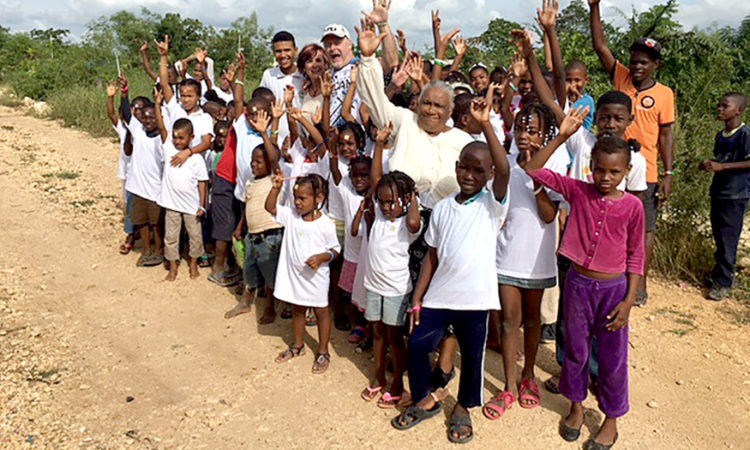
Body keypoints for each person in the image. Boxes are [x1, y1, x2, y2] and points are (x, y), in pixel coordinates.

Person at [391, 93, 510, 444]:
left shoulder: (492, 206)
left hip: (475, 299)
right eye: (464, 166)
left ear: (489, 175)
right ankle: (427, 398)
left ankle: (463, 407)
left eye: (478, 170)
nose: (469, 175)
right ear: (455, 166)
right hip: (439, 295)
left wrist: (486, 124)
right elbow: (431, 256)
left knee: (473, 356)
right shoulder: (442, 208)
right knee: (417, 343)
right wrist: (417, 299)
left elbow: (505, 169)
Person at [524, 110, 645, 450]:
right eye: (600, 170)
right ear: (590, 166)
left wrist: (628, 301)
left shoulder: (633, 207)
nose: (606, 178)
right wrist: (560, 137)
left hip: (613, 290)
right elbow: (532, 169)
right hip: (578, 284)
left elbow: (637, 256)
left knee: (612, 357)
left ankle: (611, 418)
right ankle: (576, 407)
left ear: (627, 171)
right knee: (575, 350)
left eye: (615, 172)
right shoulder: (578, 190)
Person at [483, 103, 573, 420]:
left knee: (533, 320)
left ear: (545, 134)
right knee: (509, 320)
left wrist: (538, 188)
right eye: (520, 128)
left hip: (537, 258)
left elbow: (549, 217)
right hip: (506, 256)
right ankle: (509, 385)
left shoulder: (555, 166)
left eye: (532, 130)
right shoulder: (505, 164)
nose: (524, 135)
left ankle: (529, 375)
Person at [589, 0, 675, 305]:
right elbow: (600, 46)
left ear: (656, 65)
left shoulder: (664, 95)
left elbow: (666, 135)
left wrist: (668, 173)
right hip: (609, 165)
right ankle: (610, 274)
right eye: (635, 60)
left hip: (645, 170)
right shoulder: (621, 78)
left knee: (644, 229)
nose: (638, 66)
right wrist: (594, 7)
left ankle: (639, 284)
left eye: (645, 62)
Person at [356, 18, 474, 207]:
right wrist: (368, 59)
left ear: (450, 111)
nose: (431, 110)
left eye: (438, 106)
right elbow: (374, 101)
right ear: (418, 105)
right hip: (400, 225)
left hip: (444, 225)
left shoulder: (464, 141)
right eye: (426, 103)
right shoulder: (405, 121)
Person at [356, 123, 419, 409]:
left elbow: (415, 221)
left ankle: (397, 383)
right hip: (374, 285)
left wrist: (413, 197)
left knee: (395, 336)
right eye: (382, 202)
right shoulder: (379, 216)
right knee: (378, 333)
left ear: (405, 200)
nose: (385, 207)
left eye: (392, 202)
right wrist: (379, 145)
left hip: (395, 290)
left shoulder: (407, 225)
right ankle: (379, 376)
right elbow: (377, 178)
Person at [265, 173, 340, 374]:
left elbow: (335, 250)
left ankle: (323, 351)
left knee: (321, 312)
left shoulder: (326, 224)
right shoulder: (291, 216)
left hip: (316, 278)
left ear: (319, 199)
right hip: (295, 276)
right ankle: (298, 345)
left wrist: (322, 257)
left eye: (303, 198)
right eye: (296, 197)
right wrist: (276, 188)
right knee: (297, 309)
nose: (297, 202)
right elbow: (270, 207)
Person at [225, 116, 283, 323]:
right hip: (252, 236)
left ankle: (270, 307)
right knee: (249, 271)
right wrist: (240, 227)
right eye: (252, 161)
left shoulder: (273, 179)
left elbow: (274, 158)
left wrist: (264, 133)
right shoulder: (251, 182)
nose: (253, 165)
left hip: (270, 236)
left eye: (259, 161)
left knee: (269, 276)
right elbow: (246, 206)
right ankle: (245, 302)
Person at [699, 92, 750, 301]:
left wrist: (723, 166)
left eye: (724, 106)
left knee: (728, 239)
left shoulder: (745, 134)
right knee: (719, 237)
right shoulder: (721, 136)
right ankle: (722, 276)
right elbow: (721, 161)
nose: (719, 109)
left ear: (738, 110)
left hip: (735, 194)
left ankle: (723, 283)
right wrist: (709, 164)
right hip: (719, 192)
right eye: (719, 105)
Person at [153, 92, 208, 281]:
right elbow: (161, 127)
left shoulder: (196, 159)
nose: (177, 141)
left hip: (191, 206)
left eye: (181, 138)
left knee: (195, 236)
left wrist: (202, 204)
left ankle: (193, 264)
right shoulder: (168, 148)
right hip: (172, 205)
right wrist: (157, 105)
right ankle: (173, 266)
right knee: (171, 237)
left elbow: (202, 183)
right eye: (175, 137)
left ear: (191, 138)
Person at [119, 75, 164, 268]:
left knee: (156, 223)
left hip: (155, 189)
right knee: (142, 223)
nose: (147, 120)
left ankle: (159, 251)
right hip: (137, 187)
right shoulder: (137, 131)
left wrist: (158, 104)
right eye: (144, 117)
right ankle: (146, 250)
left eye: (152, 117)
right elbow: (127, 113)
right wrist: (124, 93)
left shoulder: (162, 138)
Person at [106, 80, 135, 255]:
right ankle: (131, 231)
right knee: (128, 203)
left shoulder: (140, 129)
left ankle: (132, 235)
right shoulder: (122, 129)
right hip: (126, 172)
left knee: (135, 203)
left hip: (138, 174)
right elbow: (111, 114)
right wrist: (111, 98)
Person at [260, 31, 305, 144]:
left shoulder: (305, 75)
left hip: (302, 139)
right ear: (274, 53)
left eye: (287, 50)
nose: (283, 55)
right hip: (276, 139)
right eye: (278, 51)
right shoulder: (269, 75)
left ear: (295, 50)